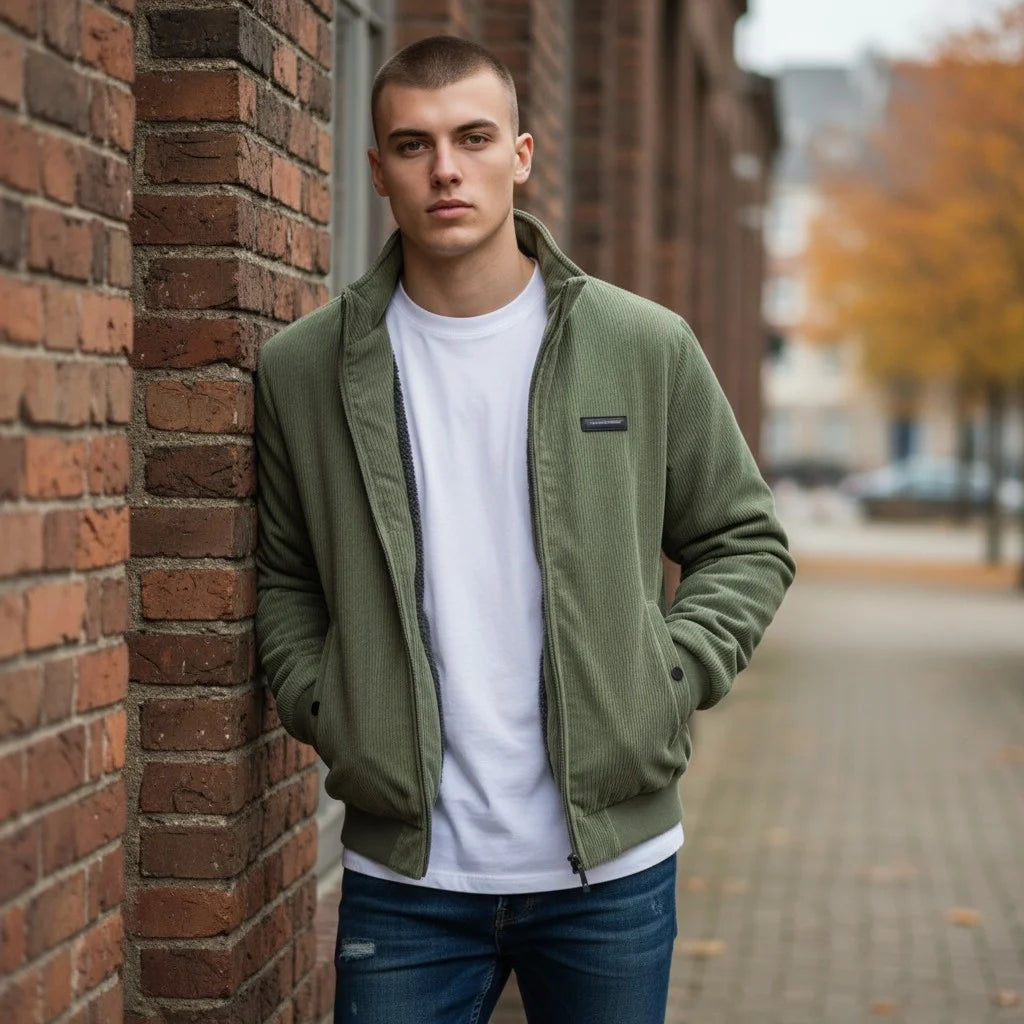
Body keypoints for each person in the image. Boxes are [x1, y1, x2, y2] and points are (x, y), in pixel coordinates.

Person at [255, 34, 794, 1024]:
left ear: (523, 155)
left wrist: (666, 679)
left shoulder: (640, 346)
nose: (445, 168)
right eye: (412, 145)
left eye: (471, 137)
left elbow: (743, 540)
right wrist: (330, 702)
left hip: (612, 874)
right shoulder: (306, 370)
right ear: (377, 169)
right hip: (408, 875)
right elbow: (285, 576)